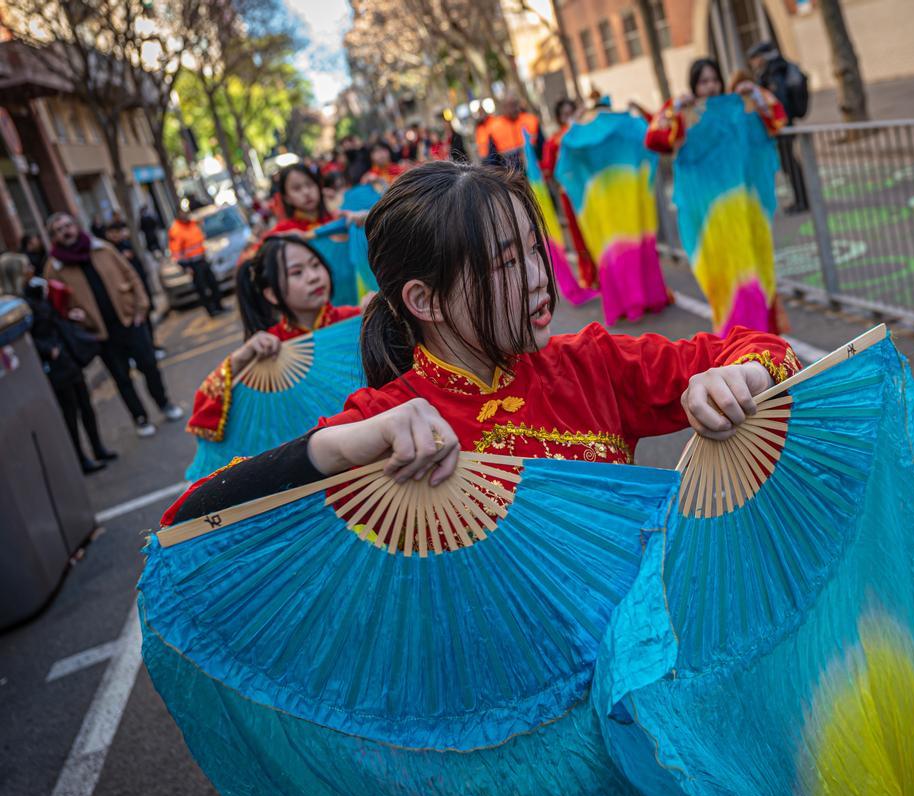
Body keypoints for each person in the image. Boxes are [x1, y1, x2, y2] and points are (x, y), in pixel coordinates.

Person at [160, 160, 800, 527]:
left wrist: (739, 377)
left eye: (532, 249)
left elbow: (760, 347)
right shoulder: (391, 423)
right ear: (424, 301)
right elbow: (187, 519)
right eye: (503, 264)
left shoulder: (589, 362)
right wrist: (334, 448)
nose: (536, 279)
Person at [646, 59, 789, 336]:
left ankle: (761, 338)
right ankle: (736, 338)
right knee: (723, 276)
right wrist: (674, 107)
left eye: (714, 80)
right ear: (693, 85)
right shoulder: (685, 114)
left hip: (745, 212)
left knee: (753, 270)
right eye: (703, 81)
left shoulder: (739, 109)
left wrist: (755, 93)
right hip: (709, 217)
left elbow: (777, 118)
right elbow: (655, 139)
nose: (710, 87)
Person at [187, 236, 361, 445]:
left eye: (316, 265)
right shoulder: (269, 347)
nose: (313, 277)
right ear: (272, 294)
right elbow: (204, 415)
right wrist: (241, 358)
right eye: (297, 272)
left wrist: (381, 314)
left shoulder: (357, 320)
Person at [45, 212, 184, 437]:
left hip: (130, 321)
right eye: (59, 230)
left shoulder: (102, 249)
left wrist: (141, 307)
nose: (66, 231)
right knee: (121, 378)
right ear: (54, 237)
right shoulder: (54, 267)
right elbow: (56, 306)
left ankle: (164, 403)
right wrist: (72, 315)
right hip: (99, 333)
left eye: (68, 225)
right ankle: (140, 418)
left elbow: (132, 276)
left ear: (76, 225)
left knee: (149, 364)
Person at [0, 252, 116, 474]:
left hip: (66, 356)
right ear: (16, 273)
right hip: (52, 365)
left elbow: (53, 318)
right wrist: (48, 350)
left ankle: (98, 448)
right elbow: (26, 339)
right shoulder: (16, 306)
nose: (31, 270)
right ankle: (80, 459)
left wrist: (68, 315)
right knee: (69, 414)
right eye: (25, 267)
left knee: (85, 405)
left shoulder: (35, 292)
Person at [540, 97, 597, 290]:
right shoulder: (555, 140)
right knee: (579, 235)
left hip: (591, 192)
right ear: (558, 118)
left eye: (571, 113)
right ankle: (589, 275)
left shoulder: (585, 132)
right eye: (564, 115)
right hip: (570, 195)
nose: (568, 118)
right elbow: (547, 168)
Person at [747, 41, 809, 214]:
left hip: (782, 125)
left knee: (789, 163)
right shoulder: (774, 69)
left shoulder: (774, 71)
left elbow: (779, 99)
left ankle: (802, 200)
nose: (753, 62)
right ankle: (802, 198)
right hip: (783, 125)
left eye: (754, 58)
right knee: (789, 162)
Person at [106, 220, 166, 357]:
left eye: (119, 232)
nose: (118, 235)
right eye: (114, 232)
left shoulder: (126, 244)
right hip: (128, 296)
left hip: (140, 288)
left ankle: (152, 346)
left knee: (147, 320)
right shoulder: (110, 252)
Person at [266, 164, 364, 237]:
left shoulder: (339, 218)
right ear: (286, 198)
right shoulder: (283, 233)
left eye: (309, 184)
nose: (306, 192)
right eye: (296, 188)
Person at [168, 205, 227, 317]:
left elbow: (200, 238)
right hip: (192, 264)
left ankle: (219, 306)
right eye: (182, 214)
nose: (185, 216)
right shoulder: (175, 230)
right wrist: (185, 267)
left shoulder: (193, 224)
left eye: (185, 213)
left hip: (202, 259)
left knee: (213, 284)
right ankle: (211, 311)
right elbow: (176, 253)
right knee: (202, 289)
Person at [482, 94, 543, 166]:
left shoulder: (531, 120)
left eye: (515, 105)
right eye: (510, 106)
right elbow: (492, 159)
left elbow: (543, 146)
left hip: (535, 168)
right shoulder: (494, 128)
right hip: (511, 173)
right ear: (503, 108)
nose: (513, 109)